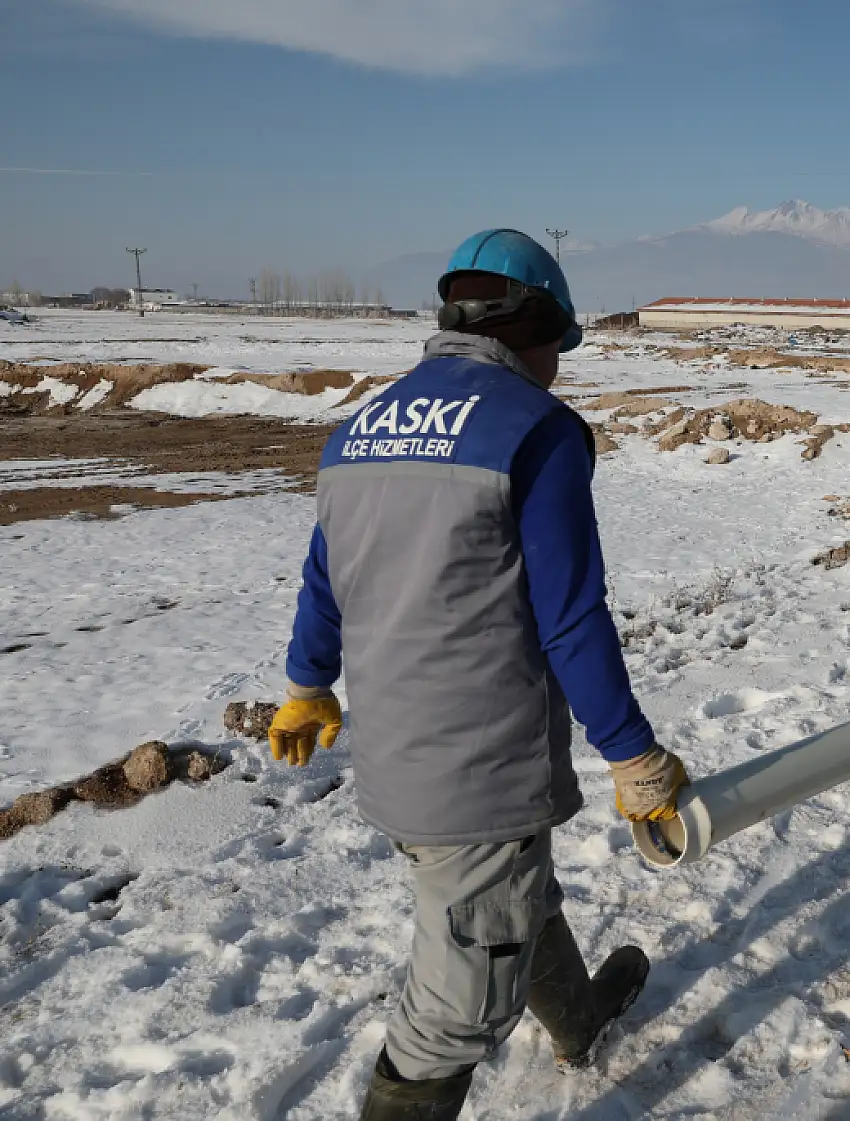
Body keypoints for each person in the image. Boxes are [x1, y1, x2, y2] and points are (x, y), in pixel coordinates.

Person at [265, 229, 692, 1120]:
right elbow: (570, 614)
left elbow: (324, 577)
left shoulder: (359, 431)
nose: (557, 367)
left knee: (510, 898)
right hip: (478, 771)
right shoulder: (536, 430)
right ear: (531, 327)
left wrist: (307, 684)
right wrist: (632, 754)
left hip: (393, 756)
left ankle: (578, 1017)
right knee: (455, 1009)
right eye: (557, 345)